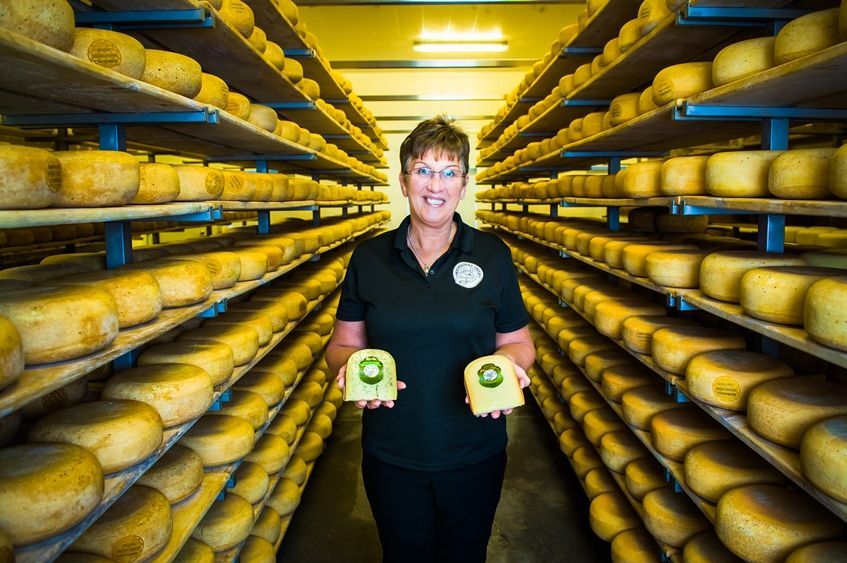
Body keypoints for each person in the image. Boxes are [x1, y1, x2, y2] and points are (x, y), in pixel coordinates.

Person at [326, 115, 535, 563]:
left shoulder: (492, 255)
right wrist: (347, 368)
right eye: (422, 170)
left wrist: (511, 367)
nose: (435, 185)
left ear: (463, 185)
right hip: (392, 451)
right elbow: (342, 344)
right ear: (404, 182)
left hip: (474, 449)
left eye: (449, 172)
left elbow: (519, 342)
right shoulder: (369, 258)